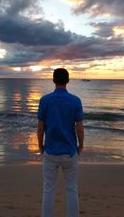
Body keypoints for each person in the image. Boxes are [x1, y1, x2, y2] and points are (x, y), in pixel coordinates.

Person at [37, 68, 84, 217]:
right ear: (68, 80)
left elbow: (40, 127)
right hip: (70, 152)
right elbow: (79, 128)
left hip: (50, 151)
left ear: (53, 80)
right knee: (71, 189)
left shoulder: (45, 100)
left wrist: (40, 145)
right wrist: (81, 146)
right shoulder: (75, 101)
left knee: (48, 189)